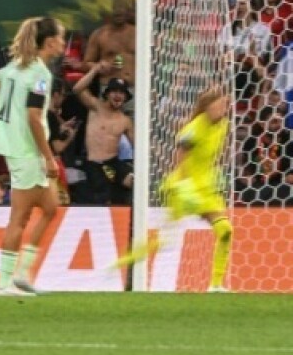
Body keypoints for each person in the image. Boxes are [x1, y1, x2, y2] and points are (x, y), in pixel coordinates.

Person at [0, 16, 66, 296]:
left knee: (50, 208)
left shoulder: (14, 68)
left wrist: (2, 119)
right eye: (60, 37)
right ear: (49, 42)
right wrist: (48, 157)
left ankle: (22, 275)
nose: (63, 43)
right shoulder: (39, 74)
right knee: (20, 217)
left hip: (18, 147)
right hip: (27, 151)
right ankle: (3, 283)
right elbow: (33, 117)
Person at [116, 88, 233, 292]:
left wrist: (217, 174)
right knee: (166, 239)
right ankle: (123, 265)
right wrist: (184, 185)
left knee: (225, 231)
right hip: (185, 185)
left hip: (205, 188)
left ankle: (216, 285)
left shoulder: (223, 126)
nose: (224, 108)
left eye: (225, 104)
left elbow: (217, 155)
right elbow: (180, 156)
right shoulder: (195, 127)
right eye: (220, 104)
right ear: (208, 106)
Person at [73, 68, 135, 205]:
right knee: (103, 195)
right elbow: (77, 89)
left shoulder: (125, 120)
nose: (118, 95)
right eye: (115, 92)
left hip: (113, 162)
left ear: (126, 97)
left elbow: (137, 144)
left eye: (122, 93)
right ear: (107, 94)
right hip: (93, 163)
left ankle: (134, 214)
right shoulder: (95, 106)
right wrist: (95, 69)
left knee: (134, 181)